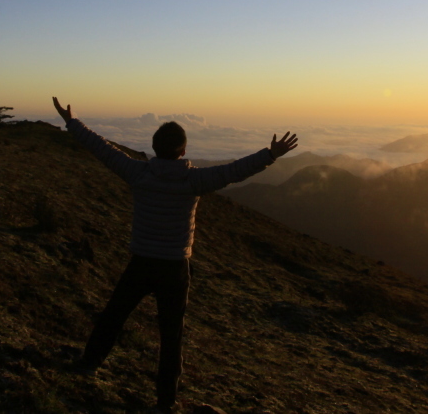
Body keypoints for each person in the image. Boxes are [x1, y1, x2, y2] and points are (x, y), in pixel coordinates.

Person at [52, 97, 298, 413]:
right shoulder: (194, 179)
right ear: (183, 151)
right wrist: (270, 155)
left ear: (154, 148)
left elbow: (102, 150)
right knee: (171, 336)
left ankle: (89, 363)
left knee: (114, 315)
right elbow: (234, 171)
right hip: (174, 268)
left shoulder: (137, 172)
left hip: (140, 262)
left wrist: (72, 122)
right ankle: (166, 401)